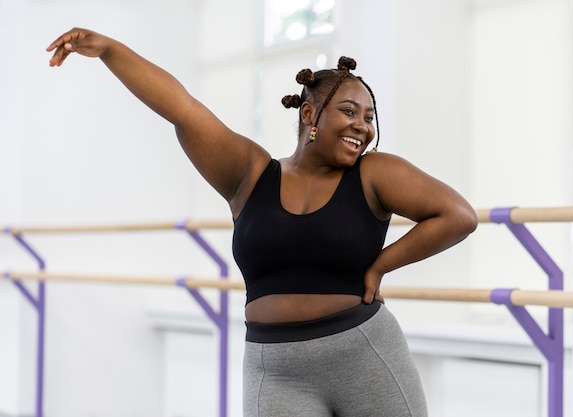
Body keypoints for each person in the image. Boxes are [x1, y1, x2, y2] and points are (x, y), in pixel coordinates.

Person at [47, 28, 477, 417]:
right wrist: (109, 50)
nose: (362, 127)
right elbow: (183, 109)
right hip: (276, 369)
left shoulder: (376, 173)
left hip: (365, 354)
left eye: (368, 117)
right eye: (349, 111)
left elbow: (457, 216)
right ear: (310, 115)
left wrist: (380, 265)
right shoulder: (249, 174)